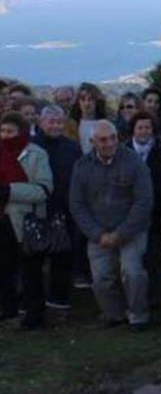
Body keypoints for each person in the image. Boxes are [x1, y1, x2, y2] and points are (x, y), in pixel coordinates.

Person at [69, 120, 153, 330]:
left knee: (132, 272)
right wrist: (98, 234)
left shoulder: (134, 163)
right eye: (103, 139)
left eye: (113, 137)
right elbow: (77, 205)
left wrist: (122, 233)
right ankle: (114, 315)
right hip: (99, 233)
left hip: (131, 230)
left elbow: (144, 202)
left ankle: (138, 316)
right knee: (101, 278)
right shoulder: (82, 167)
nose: (109, 143)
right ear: (92, 141)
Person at [0, 112, 53, 328]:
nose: (5, 135)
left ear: (21, 132)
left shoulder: (36, 154)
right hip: (2, 220)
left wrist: (9, 191)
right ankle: (8, 308)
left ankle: (34, 315)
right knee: (3, 269)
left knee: (30, 271)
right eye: (2, 131)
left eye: (10, 131)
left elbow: (44, 189)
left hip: (26, 222)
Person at [126, 111, 161, 302]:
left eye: (147, 127)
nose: (144, 131)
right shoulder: (123, 152)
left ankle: (155, 299)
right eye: (140, 127)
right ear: (133, 130)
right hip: (128, 214)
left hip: (157, 213)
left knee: (154, 257)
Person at [32, 105, 83, 310]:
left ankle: (59, 303)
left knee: (63, 258)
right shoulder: (31, 146)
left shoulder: (72, 147)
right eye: (51, 121)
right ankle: (33, 303)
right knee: (34, 259)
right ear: (41, 123)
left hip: (66, 210)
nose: (55, 125)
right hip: (38, 210)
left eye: (59, 121)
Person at [67, 82, 109, 155]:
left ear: (97, 102)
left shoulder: (105, 125)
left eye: (90, 99)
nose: (87, 103)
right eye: (83, 99)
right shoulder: (71, 124)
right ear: (78, 102)